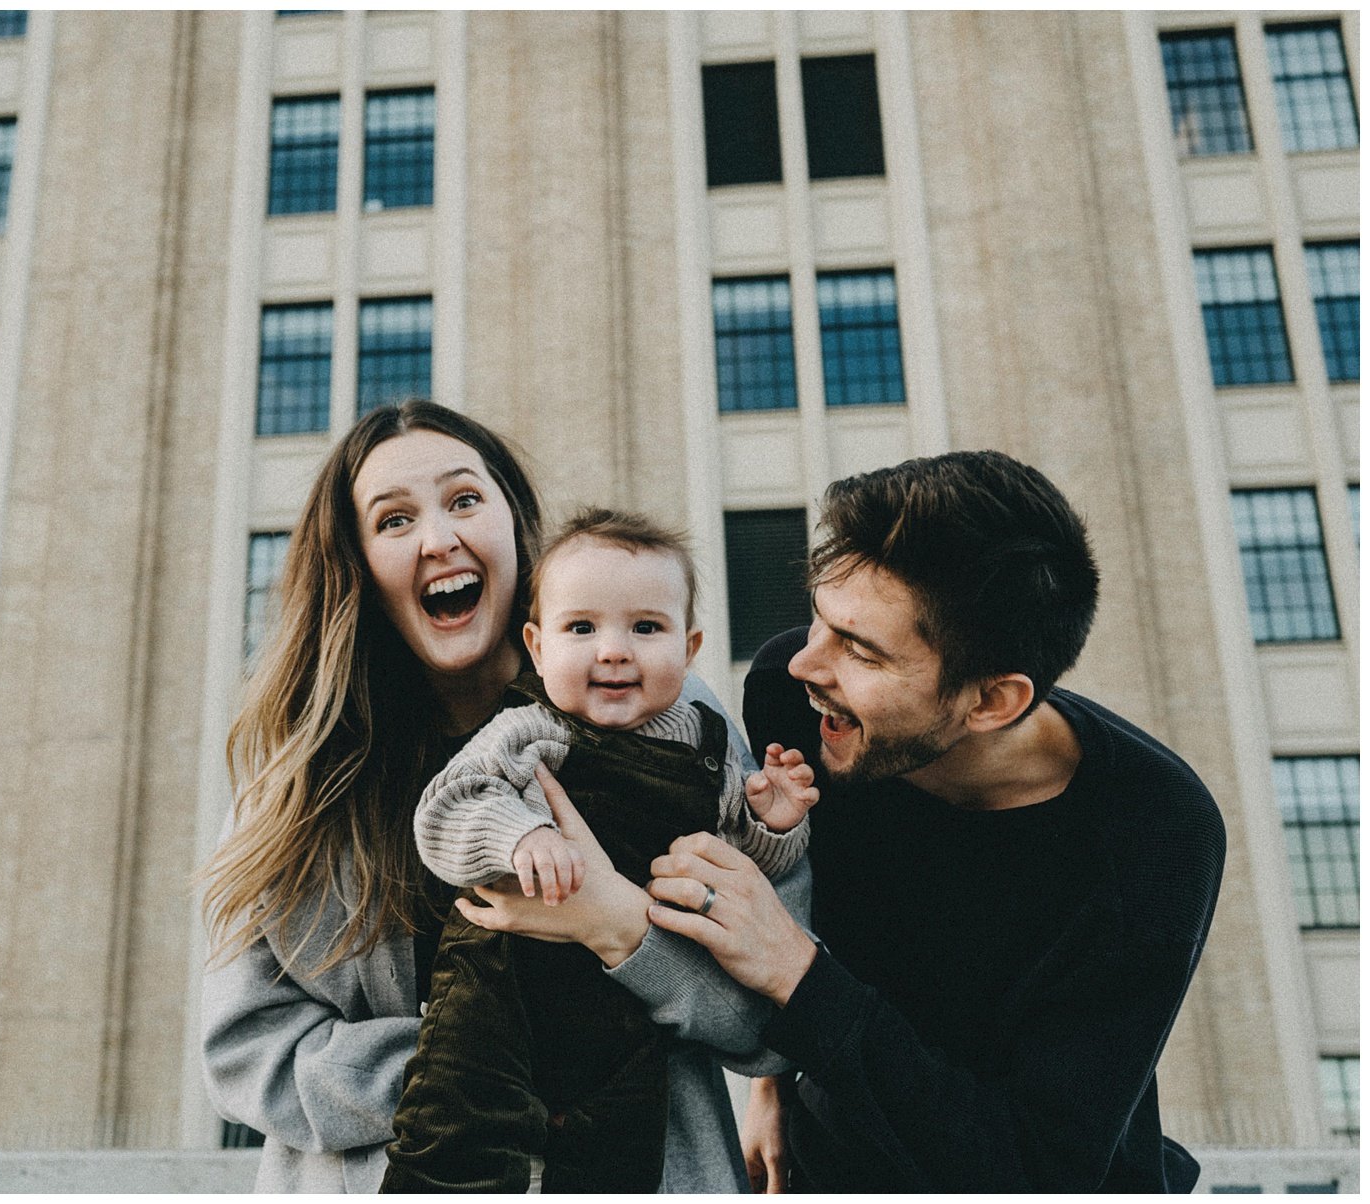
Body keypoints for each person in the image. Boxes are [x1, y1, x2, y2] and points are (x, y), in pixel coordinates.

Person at [458, 450, 1225, 1193]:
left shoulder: (1154, 835)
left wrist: (799, 976)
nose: (802, 663)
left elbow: (1034, 1170)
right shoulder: (798, 702)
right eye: (818, 620)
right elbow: (790, 907)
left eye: (858, 649)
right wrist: (776, 1089)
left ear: (992, 701)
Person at [199, 401, 800, 1192]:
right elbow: (249, 1046)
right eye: (394, 520)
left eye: (464, 501)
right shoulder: (303, 778)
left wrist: (623, 929)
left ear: (515, 526)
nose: (439, 538)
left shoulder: (676, 719)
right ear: (358, 566)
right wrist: (476, 1067)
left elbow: (773, 1022)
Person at [382, 508, 816, 1192]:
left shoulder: (706, 752)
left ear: (690, 646)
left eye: (646, 628)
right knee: (454, 1131)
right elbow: (446, 809)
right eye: (581, 628)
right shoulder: (529, 730)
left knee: (619, 1159)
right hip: (498, 990)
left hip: (628, 1018)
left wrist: (777, 822)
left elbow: (752, 874)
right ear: (538, 644)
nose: (614, 651)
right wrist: (521, 834)